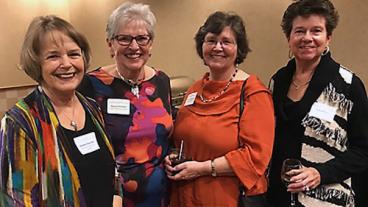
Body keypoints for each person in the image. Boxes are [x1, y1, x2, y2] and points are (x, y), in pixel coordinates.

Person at [0, 15, 116, 206]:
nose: (67, 64)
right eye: (53, 56)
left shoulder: (92, 107)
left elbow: (112, 171)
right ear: (37, 63)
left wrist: (116, 199)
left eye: (73, 54)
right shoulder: (19, 122)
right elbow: (16, 200)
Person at [163, 11, 275, 207]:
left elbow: (255, 156)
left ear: (238, 48)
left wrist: (202, 168)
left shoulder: (253, 93)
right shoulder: (195, 89)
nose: (217, 47)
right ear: (202, 46)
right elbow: (184, 136)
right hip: (186, 195)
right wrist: (172, 156)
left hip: (228, 198)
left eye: (226, 41)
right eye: (211, 40)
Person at [267, 0, 368, 206]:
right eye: (299, 31)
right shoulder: (277, 81)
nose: (307, 38)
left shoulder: (348, 85)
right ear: (289, 37)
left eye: (316, 31)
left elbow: (363, 150)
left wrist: (320, 173)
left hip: (326, 197)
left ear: (328, 37)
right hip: (278, 196)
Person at [78, 2, 173, 207]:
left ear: (151, 44)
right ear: (110, 44)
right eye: (124, 38)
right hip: (112, 197)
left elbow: (168, 134)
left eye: (141, 38)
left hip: (161, 196)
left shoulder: (161, 81)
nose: (134, 46)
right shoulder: (90, 85)